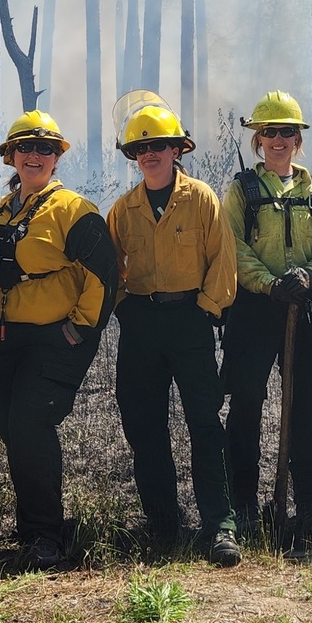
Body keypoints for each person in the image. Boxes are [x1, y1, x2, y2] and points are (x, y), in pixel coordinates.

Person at [0, 109, 120, 568]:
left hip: (52, 341)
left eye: (45, 149)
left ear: (57, 158)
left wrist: (80, 327)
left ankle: (46, 540)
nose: (34, 155)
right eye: (25, 147)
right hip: (2, 338)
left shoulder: (74, 210)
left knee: (30, 426)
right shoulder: (4, 207)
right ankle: (34, 528)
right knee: (13, 433)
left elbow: (106, 275)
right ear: (11, 155)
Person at [107, 102, 240, 565]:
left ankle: (219, 525)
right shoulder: (123, 210)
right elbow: (112, 270)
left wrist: (205, 311)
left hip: (190, 320)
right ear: (134, 155)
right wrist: (126, 309)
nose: (151, 154)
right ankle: (163, 525)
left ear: (177, 149)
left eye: (159, 145)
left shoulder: (202, 198)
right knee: (145, 426)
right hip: (141, 324)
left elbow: (223, 260)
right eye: (141, 147)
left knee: (204, 423)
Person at [220, 91, 312, 540]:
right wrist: (270, 284)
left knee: (304, 409)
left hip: (305, 311)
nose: (278, 140)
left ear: (298, 139)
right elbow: (233, 246)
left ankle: (308, 503)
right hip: (254, 311)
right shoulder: (241, 190)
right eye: (269, 132)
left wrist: (309, 277)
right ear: (257, 139)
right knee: (246, 407)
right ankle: (245, 505)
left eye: (287, 132)